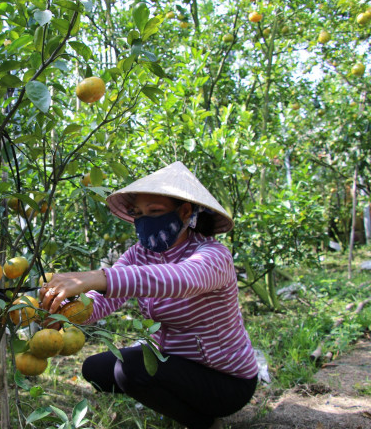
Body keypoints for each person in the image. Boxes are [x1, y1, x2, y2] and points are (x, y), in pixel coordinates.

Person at [40, 161, 258, 429]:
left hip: (224, 378)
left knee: (129, 371)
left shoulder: (213, 255)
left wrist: (97, 277)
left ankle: (203, 422)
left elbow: (182, 280)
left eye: (155, 211)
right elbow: (103, 301)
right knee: (96, 370)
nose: (145, 221)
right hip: (171, 361)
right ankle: (168, 392)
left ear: (185, 211)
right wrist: (63, 311)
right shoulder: (139, 254)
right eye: (138, 213)